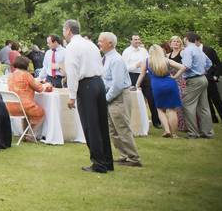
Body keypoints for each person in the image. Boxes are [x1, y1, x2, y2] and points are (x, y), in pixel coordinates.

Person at [63, 19, 112, 173]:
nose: (63, 33)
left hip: (86, 85)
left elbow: (72, 71)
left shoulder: (72, 47)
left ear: (69, 30)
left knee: (91, 125)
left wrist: (71, 95)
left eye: (64, 30)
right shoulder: (90, 44)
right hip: (99, 82)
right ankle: (107, 161)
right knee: (102, 124)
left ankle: (99, 163)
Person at [98, 32, 141, 167]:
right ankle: (124, 155)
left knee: (122, 127)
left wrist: (105, 99)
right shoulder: (106, 58)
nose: (98, 43)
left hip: (118, 97)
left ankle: (134, 158)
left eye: (101, 41)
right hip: (112, 96)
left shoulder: (116, 59)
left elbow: (117, 85)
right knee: (113, 129)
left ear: (110, 43)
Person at [136, 44, 185, 137]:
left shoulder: (146, 61)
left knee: (160, 109)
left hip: (157, 86)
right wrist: (175, 76)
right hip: (170, 84)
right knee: (172, 110)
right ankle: (174, 134)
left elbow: (141, 75)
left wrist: (137, 85)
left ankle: (167, 131)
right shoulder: (166, 60)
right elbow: (183, 67)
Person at [6, 55, 50, 140]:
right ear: (25, 65)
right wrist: (47, 85)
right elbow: (39, 88)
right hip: (25, 105)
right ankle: (30, 134)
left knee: (27, 115)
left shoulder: (11, 75)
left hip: (11, 106)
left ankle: (24, 135)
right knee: (40, 113)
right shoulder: (26, 75)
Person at [179, 31, 213, 139]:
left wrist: (176, 76)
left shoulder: (188, 50)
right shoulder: (199, 50)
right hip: (203, 79)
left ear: (186, 39)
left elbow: (187, 66)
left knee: (187, 105)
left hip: (193, 80)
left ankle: (193, 133)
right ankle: (207, 133)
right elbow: (209, 63)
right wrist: (202, 71)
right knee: (204, 107)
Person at [122, 34, 158, 128]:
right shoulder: (126, 52)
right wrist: (135, 65)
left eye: (138, 39)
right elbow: (124, 67)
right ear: (131, 41)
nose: (137, 41)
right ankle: (133, 121)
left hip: (145, 75)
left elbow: (148, 61)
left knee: (151, 97)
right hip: (132, 75)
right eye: (135, 39)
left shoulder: (143, 50)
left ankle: (156, 121)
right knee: (133, 98)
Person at [198, 36, 222, 125]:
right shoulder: (192, 51)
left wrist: (216, 76)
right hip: (198, 79)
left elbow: (218, 64)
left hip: (210, 79)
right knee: (206, 100)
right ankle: (213, 118)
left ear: (198, 40)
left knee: (216, 99)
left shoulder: (209, 50)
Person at [167, 35, 188, 133]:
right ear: (170, 43)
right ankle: (179, 125)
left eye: (178, 41)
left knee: (183, 103)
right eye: (173, 41)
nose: (175, 43)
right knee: (175, 104)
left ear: (180, 43)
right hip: (171, 81)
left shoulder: (183, 53)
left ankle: (187, 125)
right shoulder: (167, 55)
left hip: (182, 80)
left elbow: (186, 66)